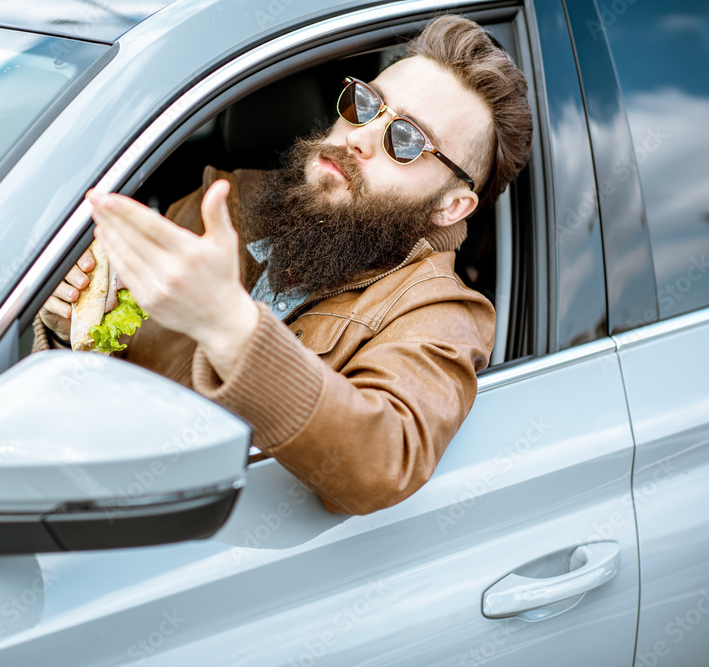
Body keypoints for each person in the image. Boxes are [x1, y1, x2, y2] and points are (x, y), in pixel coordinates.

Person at [32, 15, 533, 515]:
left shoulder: (440, 313)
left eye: (405, 140)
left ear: (451, 207)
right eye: (366, 105)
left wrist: (230, 325)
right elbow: (105, 368)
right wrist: (68, 325)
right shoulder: (225, 200)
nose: (359, 137)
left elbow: (382, 461)